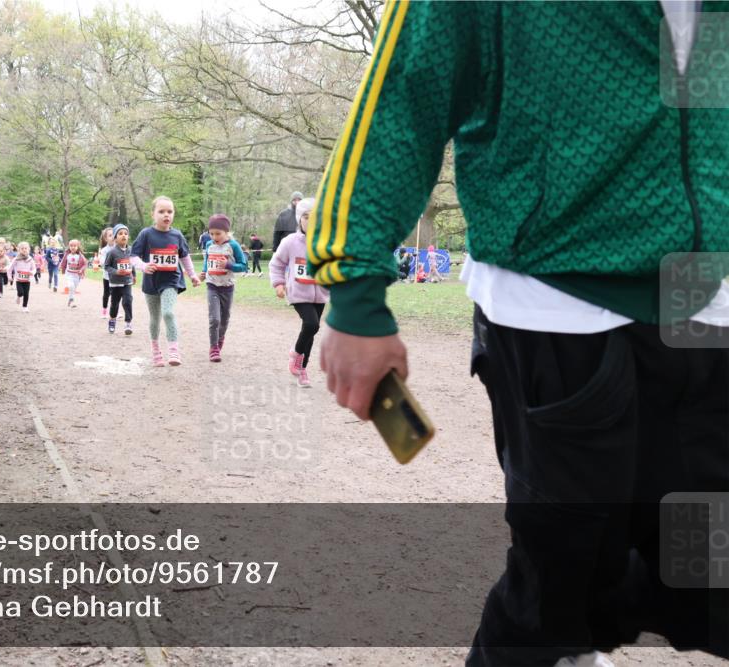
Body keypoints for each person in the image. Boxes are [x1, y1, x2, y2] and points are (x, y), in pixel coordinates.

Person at [307, 3, 728, 666]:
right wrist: (355, 291)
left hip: (713, 311)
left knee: (707, 570)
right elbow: (406, 91)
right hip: (561, 312)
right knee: (558, 586)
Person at [130, 196, 201, 367]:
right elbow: (132, 256)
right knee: (154, 318)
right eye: (161, 211)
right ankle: (156, 351)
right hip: (151, 282)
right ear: (152, 214)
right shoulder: (146, 234)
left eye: (169, 211)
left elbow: (184, 257)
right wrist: (144, 266)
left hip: (171, 280)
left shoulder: (177, 235)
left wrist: (192, 275)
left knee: (168, 313)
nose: (166, 215)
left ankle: (174, 350)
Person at [270, 198, 328, 387]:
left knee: (310, 330)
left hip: (320, 293)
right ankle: (295, 353)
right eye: (306, 217)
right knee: (312, 325)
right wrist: (279, 283)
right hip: (298, 293)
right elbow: (277, 263)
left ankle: (302, 369)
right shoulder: (290, 242)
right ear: (299, 220)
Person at [200, 214, 248, 362]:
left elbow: (244, 266)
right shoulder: (209, 245)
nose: (214, 237)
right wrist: (203, 272)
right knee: (214, 318)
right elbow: (207, 261)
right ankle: (213, 347)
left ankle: (220, 338)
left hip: (227, 287)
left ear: (226, 232)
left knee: (224, 319)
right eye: (211, 233)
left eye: (218, 233)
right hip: (212, 285)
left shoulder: (233, 245)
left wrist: (228, 265)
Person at [103, 223, 135, 335]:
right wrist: (116, 271)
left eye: (126, 234)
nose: (123, 236)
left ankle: (128, 322)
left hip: (127, 281)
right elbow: (106, 266)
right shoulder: (112, 252)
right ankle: (112, 319)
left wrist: (134, 275)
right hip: (115, 283)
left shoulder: (131, 250)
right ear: (115, 238)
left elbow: (133, 263)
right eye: (120, 234)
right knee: (114, 304)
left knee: (128, 301)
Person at [9, 241, 36, 312]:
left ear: (28, 249)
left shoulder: (30, 259)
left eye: (25, 248)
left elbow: (34, 268)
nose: (24, 250)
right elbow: (10, 268)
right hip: (19, 280)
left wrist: (32, 272)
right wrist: (9, 277)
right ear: (19, 250)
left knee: (26, 294)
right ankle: (18, 296)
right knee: (21, 293)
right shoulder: (16, 259)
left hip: (27, 280)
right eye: (22, 248)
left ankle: (25, 307)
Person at [62, 239, 87, 308]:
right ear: (69, 247)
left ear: (78, 247)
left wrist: (81, 270)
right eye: (71, 246)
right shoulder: (67, 255)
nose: (73, 247)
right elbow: (63, 262)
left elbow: (85, 264)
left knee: (73, 289)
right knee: (71, 286)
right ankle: (72, 300)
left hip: (77, 275)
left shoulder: (80, 256)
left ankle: (70, 299)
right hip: (69, 274)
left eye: (75, 246)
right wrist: (61, 267)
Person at [98, 227, 115, 318]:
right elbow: (102, 262)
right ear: (105, 238)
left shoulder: (119, 248)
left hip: (117, 277)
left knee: (115, 294)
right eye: (110, 235)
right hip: (107, 276)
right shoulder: (104, 250)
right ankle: (104, 310)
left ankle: (114, 311)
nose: (112, 237)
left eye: (113, 234)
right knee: (106, 294)